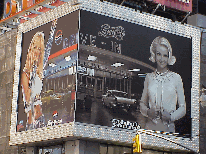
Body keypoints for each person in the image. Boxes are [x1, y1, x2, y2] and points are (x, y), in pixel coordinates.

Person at [140, 36, 186, 132]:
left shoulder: (176, 78)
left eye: (165, 55)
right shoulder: (149, 77)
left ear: (169, 56)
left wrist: (170, 116)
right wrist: (148, 112)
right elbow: (142, 104)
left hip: (168, 131)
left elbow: (183, 108)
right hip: (150, 130)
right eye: (159, 54)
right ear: (154, 55)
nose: (162, 59)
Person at [21, 32, 45, 130]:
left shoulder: (39, 71)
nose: (37, 51)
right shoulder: (25, 74)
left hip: (41, 118)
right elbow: (28, 100)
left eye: (39, 48)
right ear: (31, 48)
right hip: (32, 122)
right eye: (35, 47)